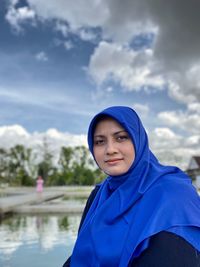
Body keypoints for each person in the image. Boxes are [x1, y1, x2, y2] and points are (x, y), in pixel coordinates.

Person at [63, 106, 200, 267]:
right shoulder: (99, 195)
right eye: (100, 141)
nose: (110, 150)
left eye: (121, 138)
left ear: (138, 139)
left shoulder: (174, 195)